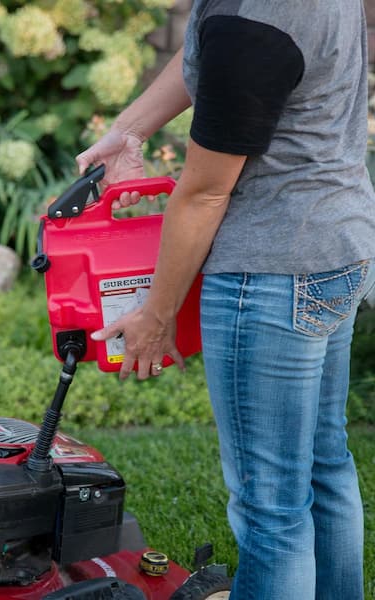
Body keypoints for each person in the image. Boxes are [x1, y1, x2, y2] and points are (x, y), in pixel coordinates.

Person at [76, 2, 375, 599]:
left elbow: (205, 194)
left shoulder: (253, 27)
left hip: (272, 270)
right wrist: (130, 129)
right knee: (325, 467)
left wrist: (156, 317)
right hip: (337, 246)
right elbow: (203, 58)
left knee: (273, 509)